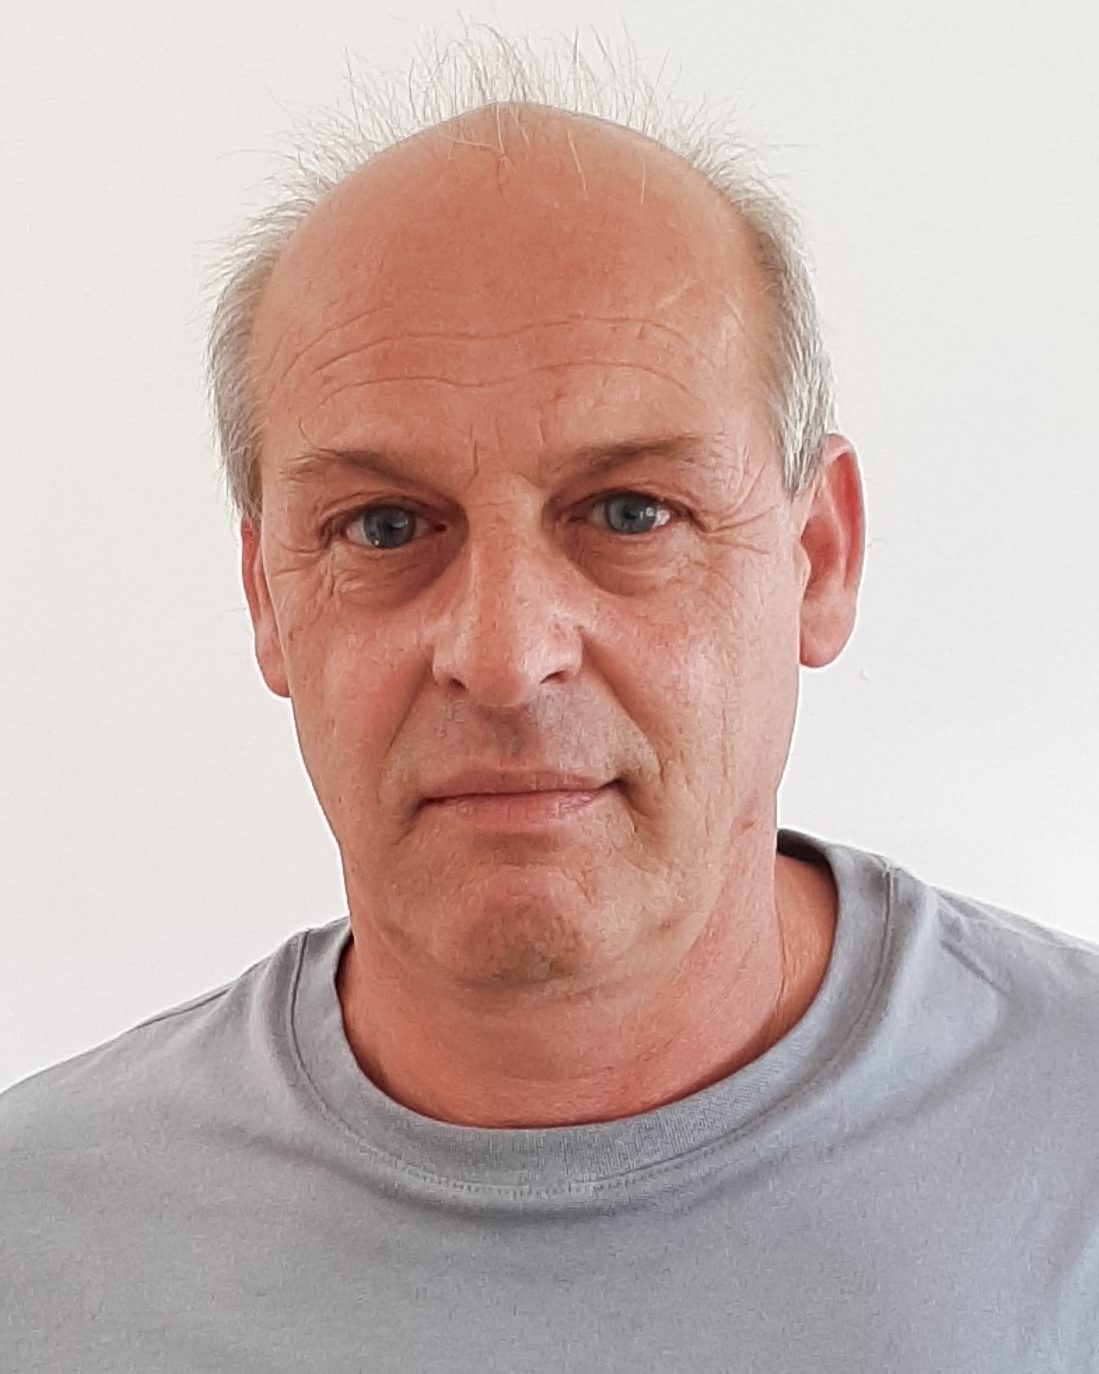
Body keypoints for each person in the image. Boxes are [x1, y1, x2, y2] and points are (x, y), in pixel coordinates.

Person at [3, 34, 1097, 1373]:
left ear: (817, 559)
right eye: (385, 525)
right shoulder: (36, 1244)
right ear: (267, 599)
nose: (506, 654)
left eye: (630, 512)